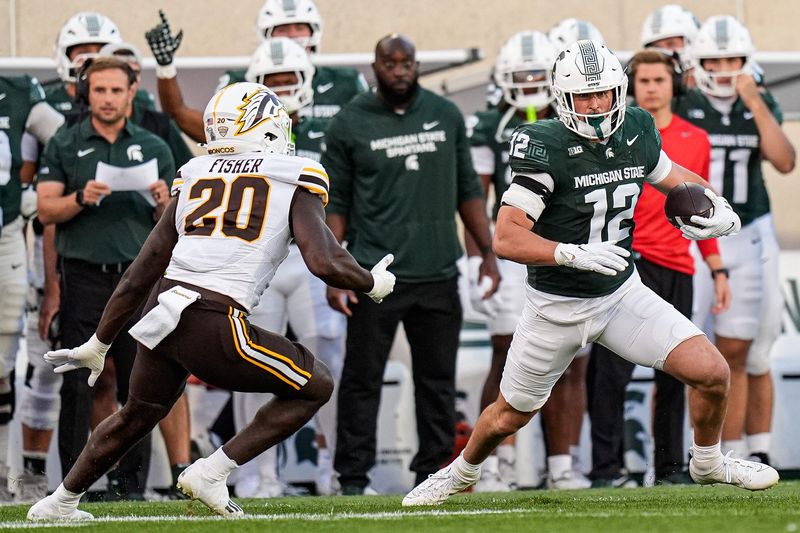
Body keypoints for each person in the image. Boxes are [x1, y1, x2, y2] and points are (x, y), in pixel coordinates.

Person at [402, 39, 777, 507]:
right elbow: (507, 237)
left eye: (603, 92)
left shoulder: (637, 128)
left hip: (620, 294)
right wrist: (568, 254)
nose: (596, 104)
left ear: (618, 91)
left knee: (712, 372)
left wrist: (713, 207)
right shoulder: (545, 144)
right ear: (563, 98)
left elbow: (674, 178)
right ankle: (461, 472)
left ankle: (708, 462)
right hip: (556, 306)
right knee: (509, 414)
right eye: (584, 95)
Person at [26, 82, 396, 521]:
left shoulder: (196, 175)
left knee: (138, 413)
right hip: (215, 318)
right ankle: (212, 472)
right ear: (267, 129)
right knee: (316, 384)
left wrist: (99, 342)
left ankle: (59, 501)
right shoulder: (293, 175)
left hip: (163, 311)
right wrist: (372, 282)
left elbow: (141, 270)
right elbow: (325, 260)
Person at [323, 34, 499, 495]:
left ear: (417, 65)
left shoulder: (445, 114)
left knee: (437, 382)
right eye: (391, 63)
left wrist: (488, 253)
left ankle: (433, 475)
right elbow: (335, 203)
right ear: (375, 66)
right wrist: (335, 272)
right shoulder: (349, 122)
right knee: (362, 379)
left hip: (438, 268)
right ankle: (352, 479)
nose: (400, 71)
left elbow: (468, 188)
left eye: (407, 63)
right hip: (374, 274)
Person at [587, 50, 731, 488]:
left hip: (677, 266)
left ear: (675, 85)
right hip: (626, 263)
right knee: (609, 374)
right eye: (643, 81)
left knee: (677, 374)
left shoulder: (696, 138)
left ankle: (669, 469)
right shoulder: (613, 133)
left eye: (659, 80)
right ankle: (606, 470)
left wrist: (717, 268)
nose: (650, 88)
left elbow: (701, 212)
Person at [36, 57, 176, 501]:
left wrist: (163, 202)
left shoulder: (154, 145)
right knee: (77, 384)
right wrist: (80, 198)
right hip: (83, 277)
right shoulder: (65, 141)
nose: (108, 99)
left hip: (138, 280)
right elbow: (45, 209)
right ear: (86, 93)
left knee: (140, 384)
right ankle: (71, 486)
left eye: (116, 90)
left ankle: (132, 486)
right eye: (100, 90)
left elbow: (178, 220)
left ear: (132, 92)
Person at [467, 30, 590, 491]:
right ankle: (493, 464)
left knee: (569, 359)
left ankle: (562, 465)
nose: (531, 84)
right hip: (511, 250)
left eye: (538, 74)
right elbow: (476, 200)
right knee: (506, 355)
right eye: (521, 76)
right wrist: (479, 259)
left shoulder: (573, 120)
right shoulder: (489, 126)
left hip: (565, 247)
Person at [676, 16, 795, 464]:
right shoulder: (684, 101)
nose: (725, 69)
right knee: (686, 346)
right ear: (699, 62)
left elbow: (785, 161)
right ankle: (687, 453)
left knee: (744, 348)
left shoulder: (757, 100)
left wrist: (755, 101)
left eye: (733, 60)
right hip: (696, 233)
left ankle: (746, 450)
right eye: (715, 60)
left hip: (748, 230)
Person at [229, 37, 345, 497]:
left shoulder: (328, 132)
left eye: (287, 79)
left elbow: (340, 203)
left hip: (310, 258)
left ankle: (332, 469)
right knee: (251, 365)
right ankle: (255, 473)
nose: (280, 88)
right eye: (270, 80)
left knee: (326, 361)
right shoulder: (237, 137)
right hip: (259, 260)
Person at [145, 1, 367, 142]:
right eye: (283, 29)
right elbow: (205, 128)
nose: (292, 36)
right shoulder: (239, 83)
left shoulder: (347, 81)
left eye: (299, 27)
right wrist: (166, 66)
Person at [0, 75, 64, 501]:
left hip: (6, 235)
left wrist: (35, 188)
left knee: (3, 361)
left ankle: (5, 475)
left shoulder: (19, 90)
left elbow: (66, 141)